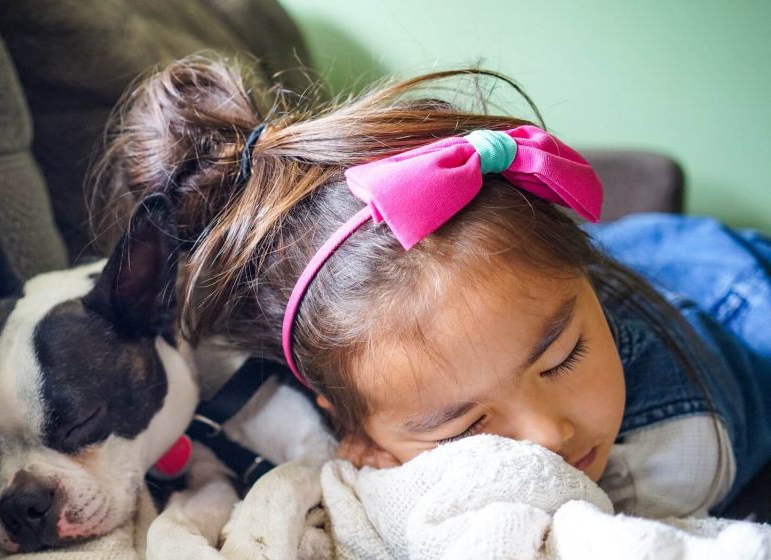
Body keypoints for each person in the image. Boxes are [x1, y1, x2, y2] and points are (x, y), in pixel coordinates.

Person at [92, 55, 771, 518]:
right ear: (356, 435)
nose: (549, 433)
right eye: (464, 426)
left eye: (563, 355)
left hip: (730, 286)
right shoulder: (352, 360)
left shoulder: (682, 452)